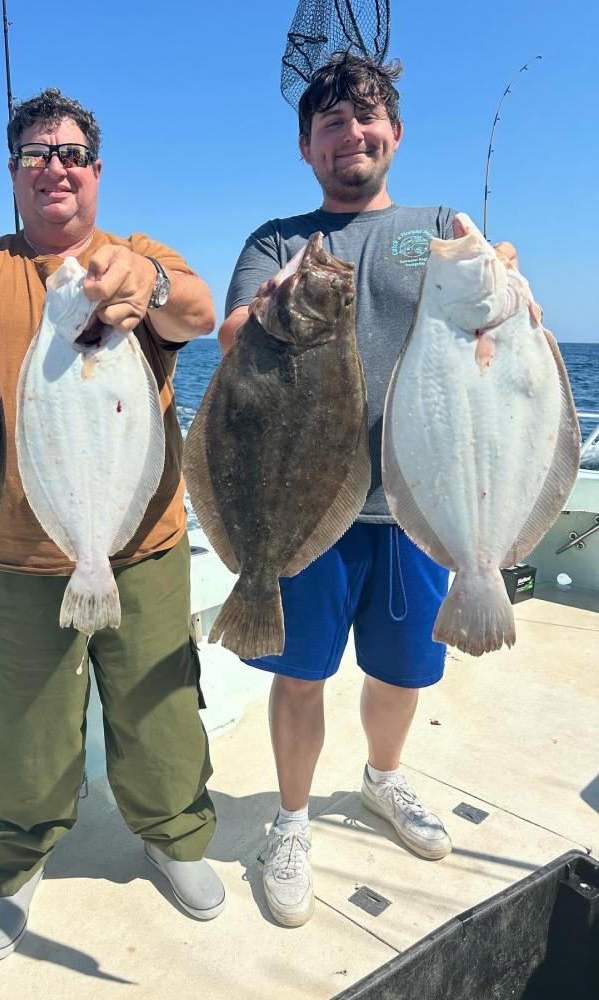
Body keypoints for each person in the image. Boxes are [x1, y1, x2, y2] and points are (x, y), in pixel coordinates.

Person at [0, 88, 224, 961]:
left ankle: (174, 836)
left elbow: (196, 311)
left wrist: (146, 287)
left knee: (160, 717)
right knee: (18, 740)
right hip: (3, 556)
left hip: (138, 544)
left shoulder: (136, 257)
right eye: (35, 155)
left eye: (71, 153)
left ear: (96, 171)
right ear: (14, 175)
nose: (55, 169)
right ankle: (12, 869)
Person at [219, 53, 518, 929]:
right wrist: (269, 301)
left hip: (417, 504)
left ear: (394, 131)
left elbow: (491, 291)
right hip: (307, 505)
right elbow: (233, 334)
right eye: (333, 124)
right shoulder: (277, 239)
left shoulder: (436, 225)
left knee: (401, 671)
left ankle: (384, 780)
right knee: (301, 676)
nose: (353, 133)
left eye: (368, 116)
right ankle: (292, 820)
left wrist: (508, 277)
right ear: (307, 148)